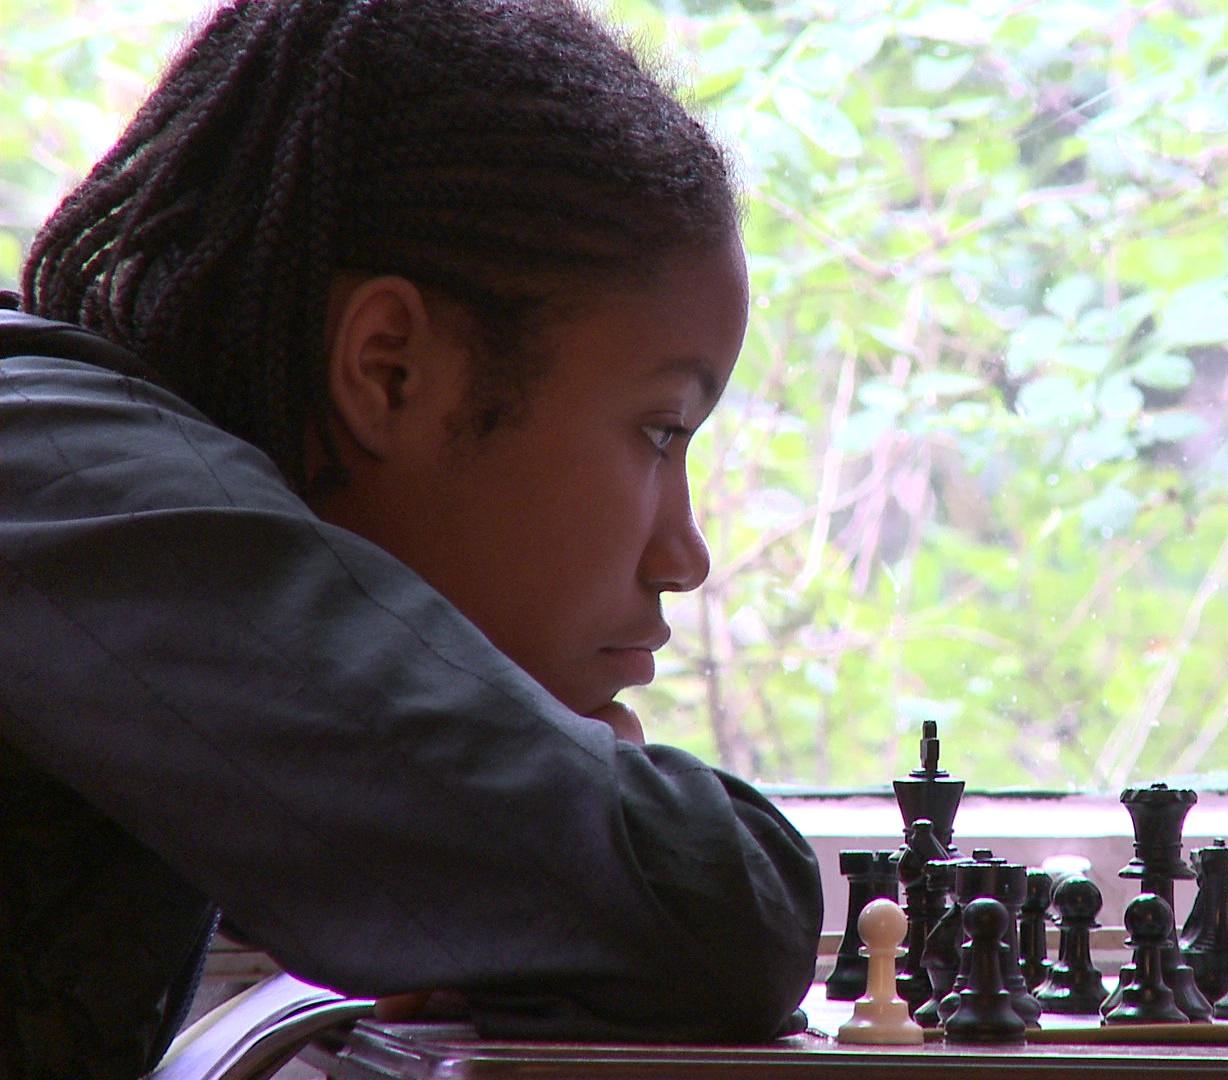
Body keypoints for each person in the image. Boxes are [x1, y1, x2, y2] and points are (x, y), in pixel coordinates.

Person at [0, 0, 823, 1075]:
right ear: (389, 368)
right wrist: (551, 827)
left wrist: (486, 874)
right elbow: (715, 905)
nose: (684, 557)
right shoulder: (63, 479)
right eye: (660, 431)